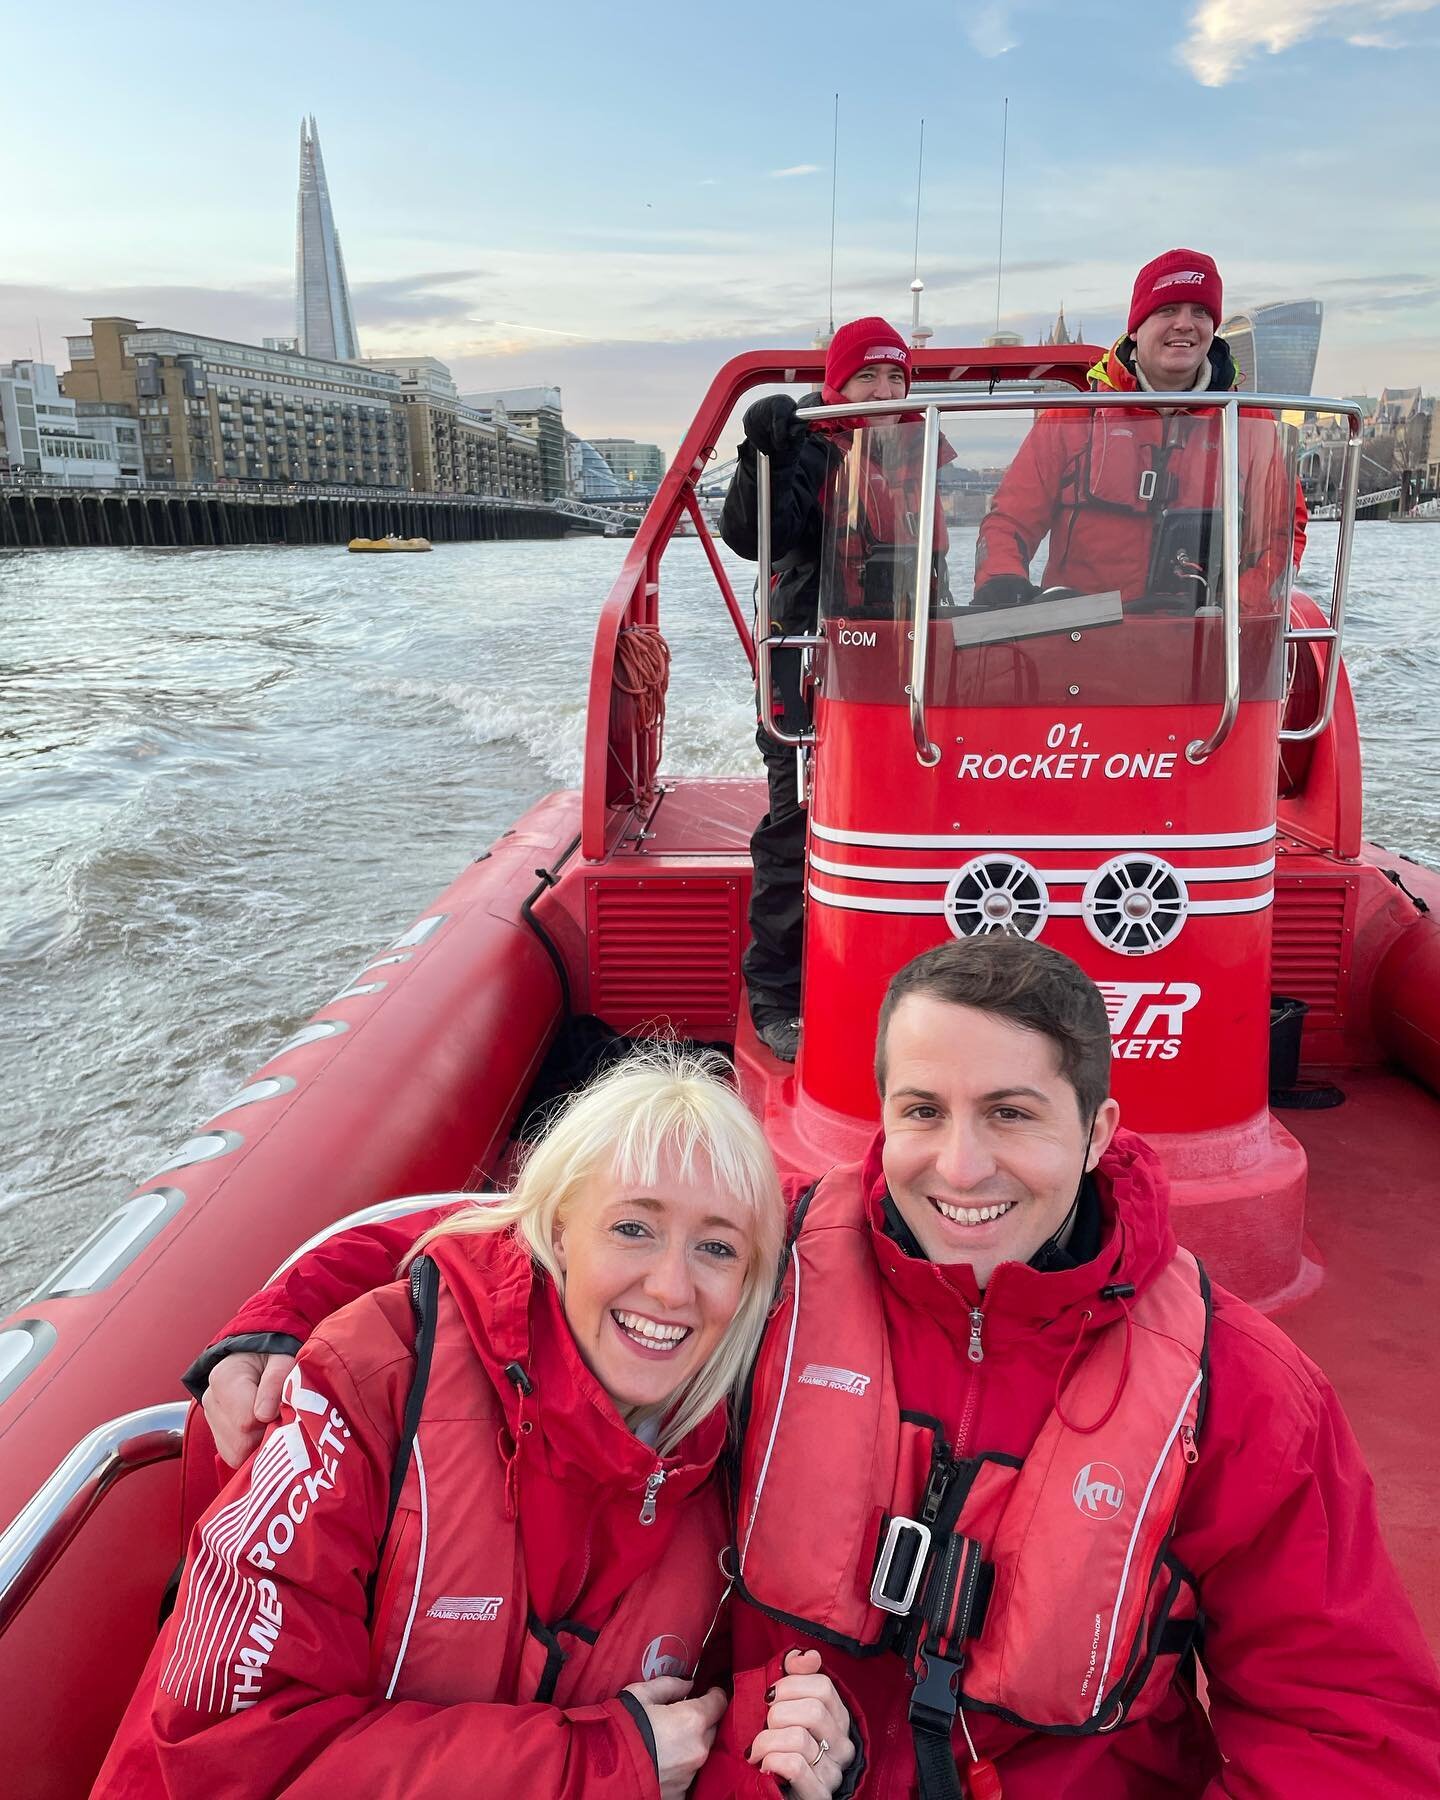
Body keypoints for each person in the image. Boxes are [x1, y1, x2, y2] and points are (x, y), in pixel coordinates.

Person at [190, 941, 1440, 1796]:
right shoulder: (781, 1253)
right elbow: (550, 1241)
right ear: (879, 1113)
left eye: (1012, 1113)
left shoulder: (1244, 1393)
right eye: (923, 1112)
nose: (960, 1169)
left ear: (1099, 1132)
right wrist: (279, 1314)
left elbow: (1345, 1723)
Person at [92, 1048, 856, 1799]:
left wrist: (781, 1774)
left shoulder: (743, 1456)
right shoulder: (378, 1381)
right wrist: (601, 1764)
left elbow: (705, 1745)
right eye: (632, 1230)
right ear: (559, 1232)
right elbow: (226, 1749)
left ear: (753, 1281)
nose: (670, 1286)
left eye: (717, 1249)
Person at [719, 317, 914, 1065]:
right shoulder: (802, 446)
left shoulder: (918, 457)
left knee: (900, 828)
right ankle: (777, 993)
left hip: (902, 674)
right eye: (868, 376)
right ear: (838, 384)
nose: (884, 391)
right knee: (792, 828)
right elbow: (751, 530)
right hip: (809, 675)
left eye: (896, 377)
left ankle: (889, 980)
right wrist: (759, 453)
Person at [974, 248, 1308, 611]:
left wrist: (1237, 609)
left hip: (1205, 643)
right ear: (1135, 326)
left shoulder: (1248, 423)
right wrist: (1001, 581)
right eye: (1167, 310)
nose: (1185, 324)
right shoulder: (1073, 418)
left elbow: (1281, 535)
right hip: (1080, 642)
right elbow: (1010, 519)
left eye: (1201, 312)